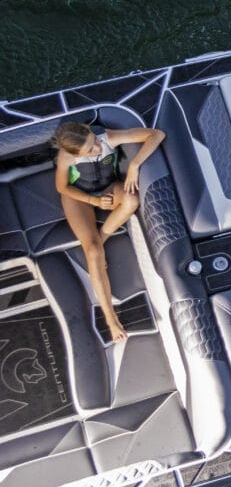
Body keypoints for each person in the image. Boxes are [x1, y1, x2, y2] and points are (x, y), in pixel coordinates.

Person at [49, 119, 166, 343]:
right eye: (90, 150)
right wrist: (93, 200)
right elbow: (62, 187)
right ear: (75, 153)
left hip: (108, 188)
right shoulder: (66, 157)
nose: (97, 148)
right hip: (79, 197)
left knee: (131, 200)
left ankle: (101, 238)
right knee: (92, 252)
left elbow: (156, 135)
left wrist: (134, 165)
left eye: (94, 141)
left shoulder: (108, 138)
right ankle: (111, 319)